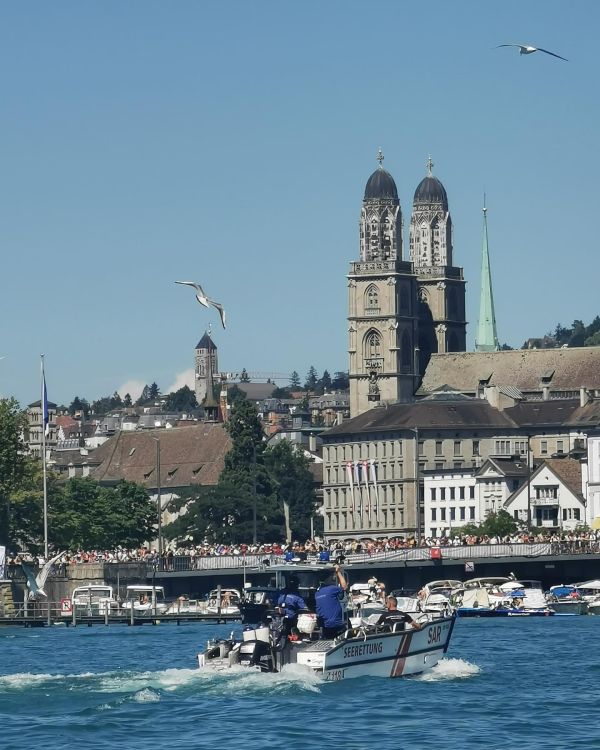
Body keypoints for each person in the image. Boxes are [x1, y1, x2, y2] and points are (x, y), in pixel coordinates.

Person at [315, 564, 348, 639]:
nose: (334, 577)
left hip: (325, 627)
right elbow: (344, 587)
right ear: (329, 578)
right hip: (336, 624)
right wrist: (338, 572)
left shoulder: (317, 593)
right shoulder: (332, 589)